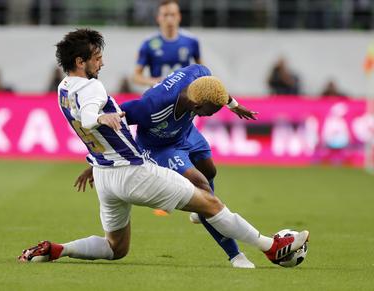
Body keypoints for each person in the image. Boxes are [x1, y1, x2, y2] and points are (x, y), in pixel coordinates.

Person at [18, 29, 309, 267]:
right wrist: (100, 117)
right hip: (132, 172)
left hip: (105, 175)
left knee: (116, 247)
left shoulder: (63, 89)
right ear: (81, 61)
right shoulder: (94, 89)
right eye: (97, 58)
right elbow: (89, 116)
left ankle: (58, 249)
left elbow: (86, 123)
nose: (102, 63)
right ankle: (272, 247)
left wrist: (95, 159)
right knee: (210, 202)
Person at [77, 64, 260, 268]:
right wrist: (99, 162)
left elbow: (215, 91)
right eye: (211, 112)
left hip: (185, 132)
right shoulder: (150, 107)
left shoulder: (200, 75)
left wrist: (233, 105)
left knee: (210, 171)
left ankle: (203, 213)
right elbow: (111, 124)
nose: (212, 115)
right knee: (204, 189)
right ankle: (235, 255)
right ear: (197, 106)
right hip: (159, 147)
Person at [133, 0, 202, 87]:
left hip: (183, 96)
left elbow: (202, 70)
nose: (169, 19)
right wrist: (155, 82)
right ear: (158, 18)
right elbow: (136, 76)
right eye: (165, 15)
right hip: (158, 97)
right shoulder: (148, 43)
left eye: (173, 15)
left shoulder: (191, 41)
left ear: (179, 17)